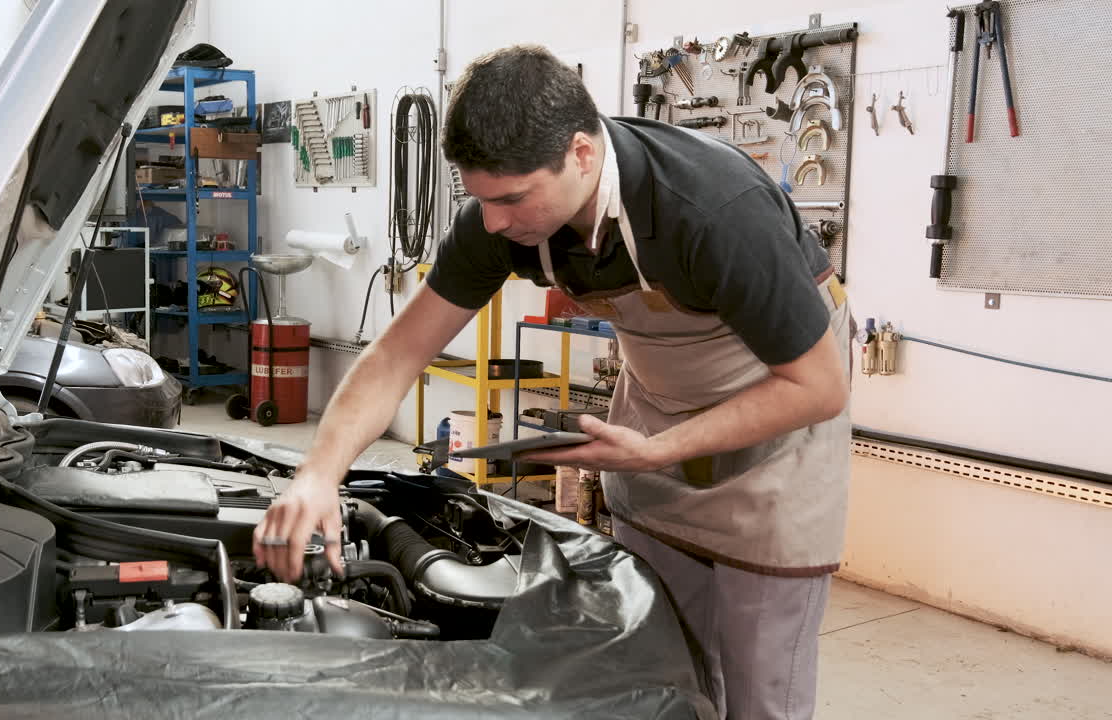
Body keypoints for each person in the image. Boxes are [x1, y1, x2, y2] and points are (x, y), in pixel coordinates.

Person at [253, 44, 852, 720]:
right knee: (663, 664)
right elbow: (396, 356)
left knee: (761, 688)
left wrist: (661, 448)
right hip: (657, 408)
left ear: (583, 154)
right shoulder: (500, 216)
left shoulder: (714, 209)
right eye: (480, 200)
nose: (494, 223)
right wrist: (319, 473)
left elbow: (818, 388)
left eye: (511, 198)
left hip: (779, 418)